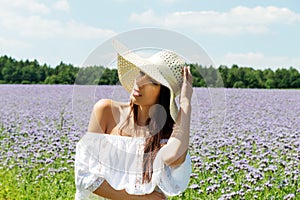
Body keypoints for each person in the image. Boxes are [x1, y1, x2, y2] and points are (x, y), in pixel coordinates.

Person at [75, 43, 193, 200]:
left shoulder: (167, 134)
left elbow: (176, 157)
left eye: (152, 81)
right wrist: (140, 199)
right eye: (141, 73)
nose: (140, 82)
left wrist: (185, 102)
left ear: (163, 94)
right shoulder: (105, 110)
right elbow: (85, 177)